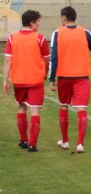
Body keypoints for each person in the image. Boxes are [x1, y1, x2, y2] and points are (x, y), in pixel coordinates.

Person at [49, 6, 91, 153]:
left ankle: (65, 141)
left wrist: (51, 78)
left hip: (64, 77)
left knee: (64, 106)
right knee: (81, 108)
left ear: (64, 18)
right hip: (82, 77)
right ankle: (80, 144)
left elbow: (54, 57)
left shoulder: (57, 33)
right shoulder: (85, 32)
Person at [3, 10, 50, 152]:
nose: (39, 24)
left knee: (21, 107)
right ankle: (32, 144)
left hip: (19, 80)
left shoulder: (12, 38)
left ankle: (23, 140)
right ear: (32, 23)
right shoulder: (40, 39)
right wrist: (45, 73)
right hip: (35, 80)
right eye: (38, 21)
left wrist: (5, 81)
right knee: (35, 111)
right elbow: (46, 60)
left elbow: (7, 60)